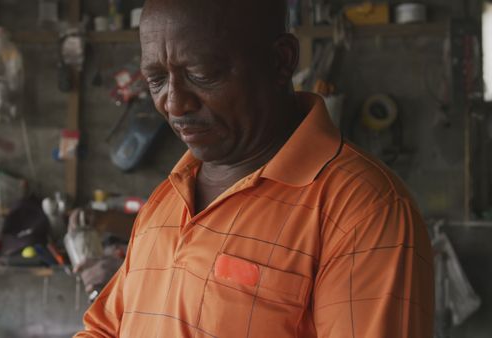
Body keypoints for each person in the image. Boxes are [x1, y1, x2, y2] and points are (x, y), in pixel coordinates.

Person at [74, 0, 434, 337]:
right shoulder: (167, 199)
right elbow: (105, 330)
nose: (174, 103)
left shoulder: (361, 210)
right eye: (157, 80)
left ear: (281, 61)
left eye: (200, 74)